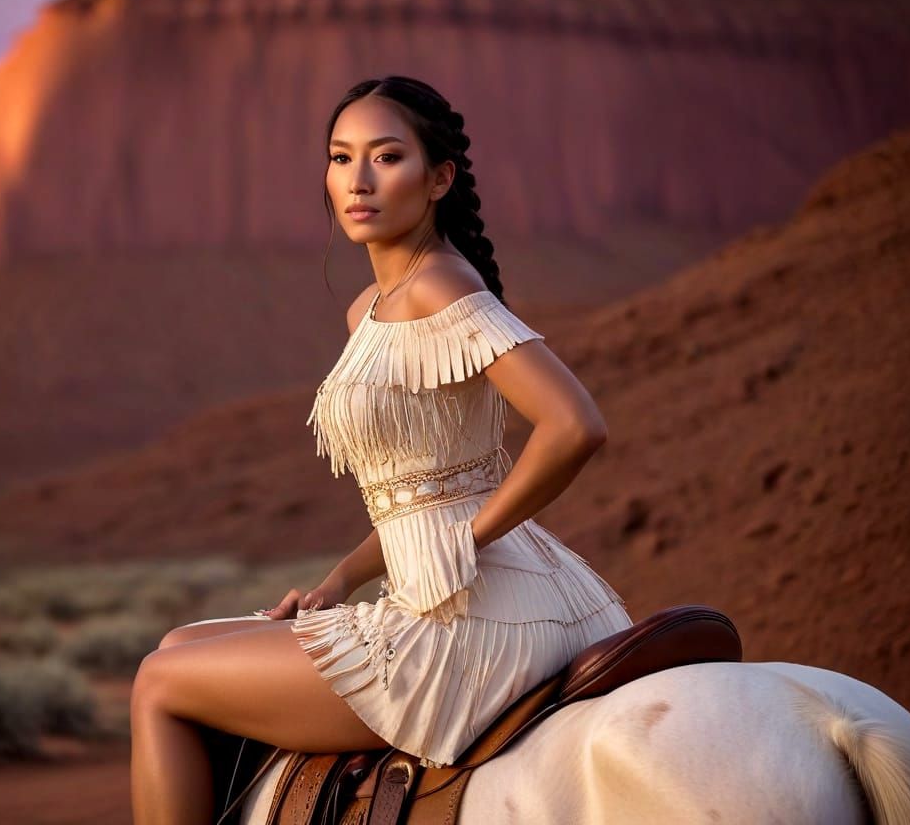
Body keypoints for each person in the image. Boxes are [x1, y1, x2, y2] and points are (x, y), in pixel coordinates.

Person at [130, 75, 631, 824]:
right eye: (340, 157)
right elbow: (419, 491)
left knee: (158, 682)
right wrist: (339, 580)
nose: (357, 181)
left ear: (438, 179)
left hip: (471, 617)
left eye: (386, 157)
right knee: (180, 641)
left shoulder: (442, 287)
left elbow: (574, 424)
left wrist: (469, 539)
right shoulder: (368, 309)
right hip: (452, 592)